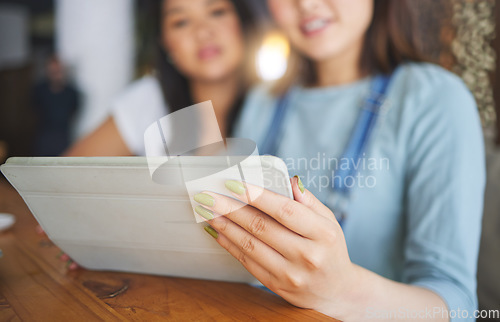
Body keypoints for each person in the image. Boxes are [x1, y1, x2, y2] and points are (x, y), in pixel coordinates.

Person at [192, 0, 485, 320]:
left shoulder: (435, 98)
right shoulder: (263, 102)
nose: (306, 4)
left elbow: (458, 307)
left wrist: (343, 291)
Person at [65, 0, 259, 157]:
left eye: (216, 11)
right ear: (165, 43)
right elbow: (57, 184)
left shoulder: (278, 97)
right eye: (181, 22)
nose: (202, 32)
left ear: (242, 21)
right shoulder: (149, 100)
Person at [33, 55, 80, 156]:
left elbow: (74, 110)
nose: (56, 74)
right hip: (44, 137)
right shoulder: (39, 90)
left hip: (63, 136)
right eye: (53, 71)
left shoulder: (71, 92)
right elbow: (34, 108)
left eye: (58, 71)